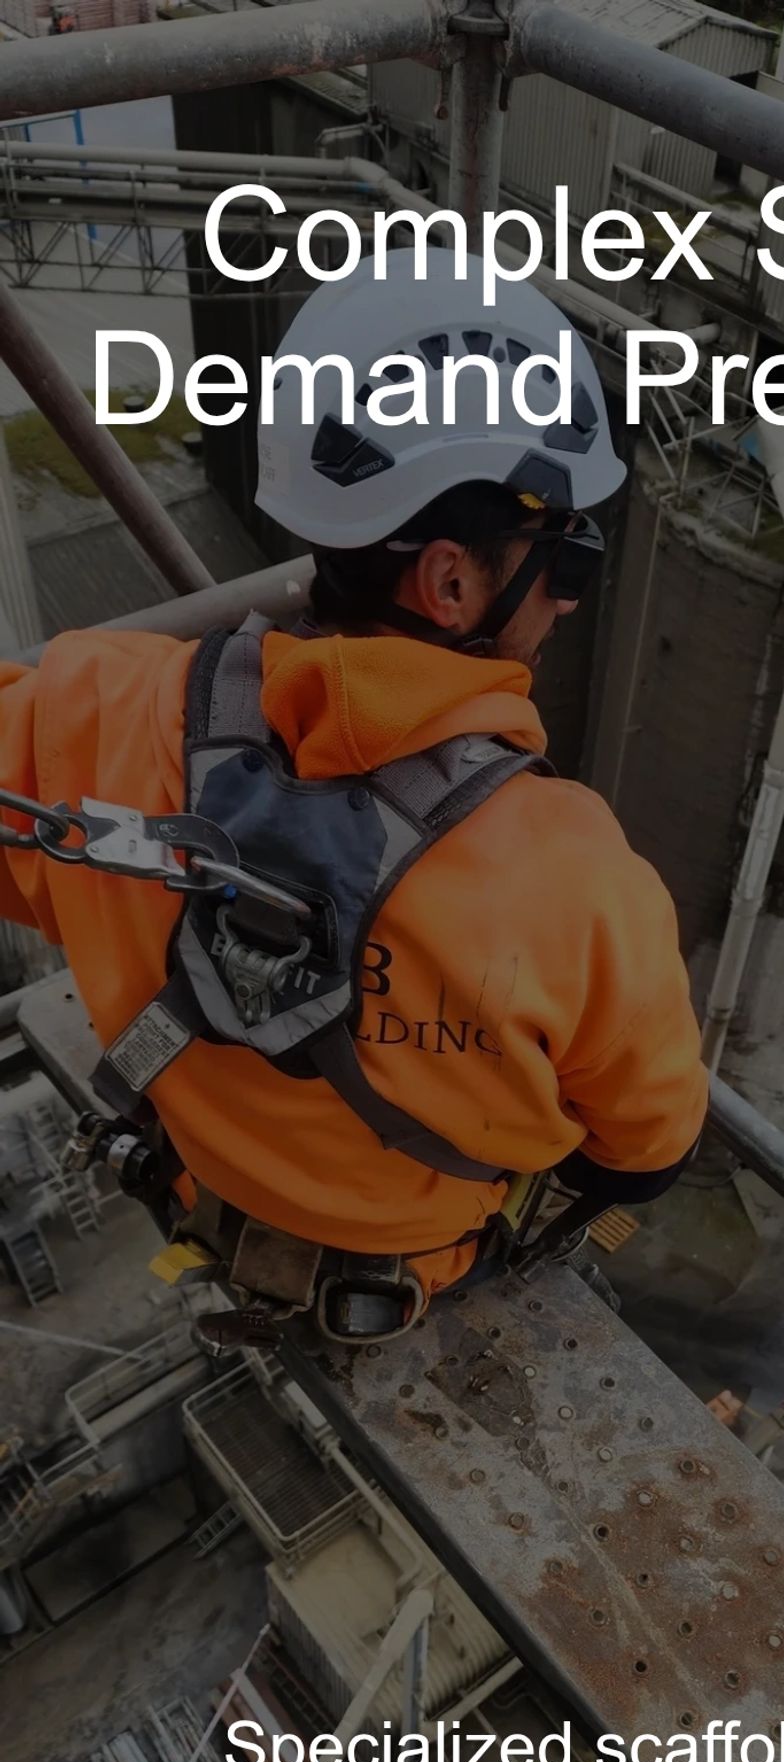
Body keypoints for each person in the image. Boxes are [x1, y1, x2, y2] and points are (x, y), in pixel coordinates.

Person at [0, 253, 707, 1337]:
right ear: (451, 581)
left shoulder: (96, 701)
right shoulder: (578, 880)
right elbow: (645, 1151)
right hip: (399, 1277)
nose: (567, 599)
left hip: (202, 1186)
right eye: (566, 558)